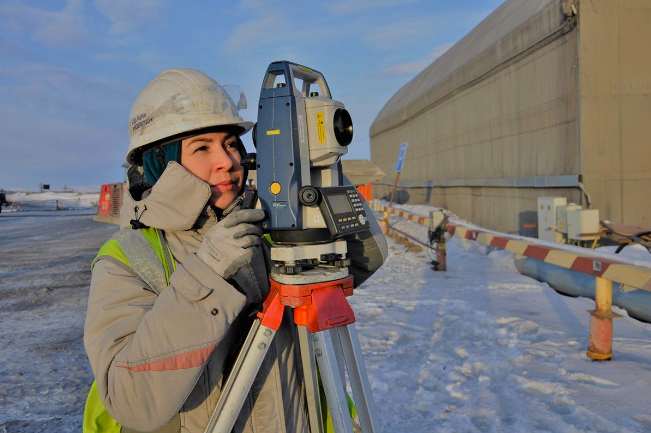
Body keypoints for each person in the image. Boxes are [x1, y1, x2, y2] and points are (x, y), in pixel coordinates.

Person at [83, 68, 387, 433]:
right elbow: (131, 400)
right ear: (159, 163)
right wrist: (207, 274)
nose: (227, 160)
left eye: (230, 144)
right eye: (202, 147)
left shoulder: (270, 224)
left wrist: (317, 169)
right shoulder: (128, 257)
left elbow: (365, 258)